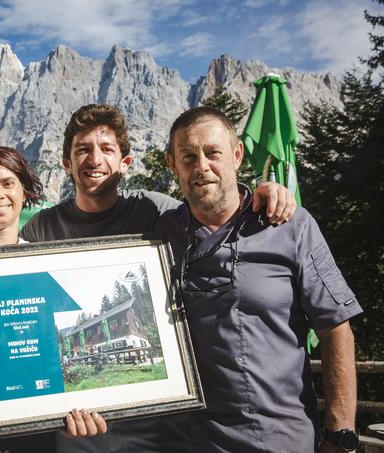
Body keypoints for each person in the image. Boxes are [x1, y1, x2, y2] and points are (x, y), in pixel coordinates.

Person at [20, 103, 298, 452]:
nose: (94, 159)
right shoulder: (40, 229)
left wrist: (264, 193)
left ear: (125, 163)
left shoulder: (157, 211)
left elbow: (214, 208)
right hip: (77, 428)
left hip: (157, 428)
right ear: (66, 163)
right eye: (82, 150)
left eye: (107, 149)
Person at [153, 106, 361, 452]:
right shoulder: (160, 233)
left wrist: (340, 436)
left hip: (281, 439)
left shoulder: (291, 225)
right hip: (194, 442)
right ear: (172, 165)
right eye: (188, 157)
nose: (201, 167)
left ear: (237, 155)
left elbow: (335, 326)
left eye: (213, 153)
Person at [0, 145, 107, 452]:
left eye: (8, 183)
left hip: (33, 409)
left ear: (25, 192)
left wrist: (74, 404)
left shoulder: (42, 260)